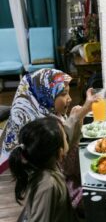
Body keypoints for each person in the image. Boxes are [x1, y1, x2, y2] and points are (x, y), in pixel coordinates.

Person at [0, 68, 97, 209]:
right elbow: (66, 163)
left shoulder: (48, 114)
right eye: (64, 93)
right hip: (61, 194)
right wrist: (78, 117)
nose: (69, 98)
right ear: (44, 95)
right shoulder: (39, 130)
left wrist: (76, 119)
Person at [9, 117, 85, 222]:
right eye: (65, 136)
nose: (67, 137)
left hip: (70, 219)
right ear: (60, 152)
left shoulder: (45, 163)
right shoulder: (47, 185)